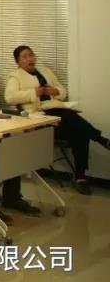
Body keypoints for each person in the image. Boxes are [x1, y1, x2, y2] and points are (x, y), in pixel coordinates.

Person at [6, 45, 109, 195]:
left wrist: (55, 91)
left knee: (80, 134)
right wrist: (33, 92)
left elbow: (62, 91)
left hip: (58, 114)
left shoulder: (45, 71)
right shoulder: (15, 76)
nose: (30, 59)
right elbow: (9, 97)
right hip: (39, 118)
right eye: (25, 57)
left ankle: (80, 176)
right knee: (71, 119)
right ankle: (100, 140)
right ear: (18, 62)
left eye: (31, 55)